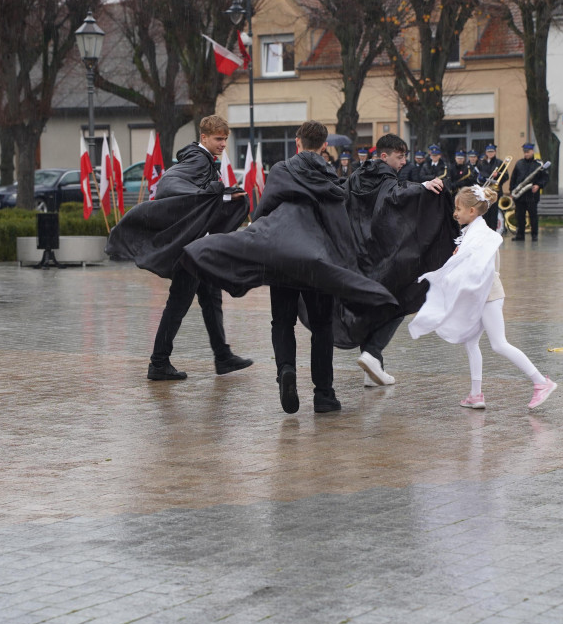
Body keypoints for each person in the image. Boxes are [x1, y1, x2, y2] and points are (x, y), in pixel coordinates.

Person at [180, 121, 397, 414]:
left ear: (297, 142)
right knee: (322, 327)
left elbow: (264, 211)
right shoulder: (330, 178)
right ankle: (324, 395)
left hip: (281, 256)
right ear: (324, 146)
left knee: (281, 322)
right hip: (316, 263)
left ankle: (286, 371)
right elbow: (339, 223)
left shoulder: (281, 170)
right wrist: (345, 262)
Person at [105, 115, 253, 381]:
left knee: (211, 298)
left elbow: (200, 194)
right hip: (191, 250)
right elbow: (170, 185)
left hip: (196, 245)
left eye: (225, 139)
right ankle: (159, 363)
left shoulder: (203, 160)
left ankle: (222, 356)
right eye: (218, 139)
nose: (222, 144)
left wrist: (226, 194)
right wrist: (220, 192)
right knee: (178, 305)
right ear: (204, 137)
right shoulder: (198, 159)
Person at [408, 185, 558, 410]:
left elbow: (480, 268)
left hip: (489, 295)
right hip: (482, 295)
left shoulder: (482, 235)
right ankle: (476, 395)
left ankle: (541, 382)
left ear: (472, 211)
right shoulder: (473, 232)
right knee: (471, 343)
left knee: (499, 344)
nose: (455, 213)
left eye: (458, 209)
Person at [340, 133, 452, 388]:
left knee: (372, 307)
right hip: (381, 256)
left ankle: (373, 366)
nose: (403, 162)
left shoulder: (357, 176)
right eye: (399, 157)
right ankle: (373, 353)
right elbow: (393, 196)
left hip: (358, 255)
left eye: (404, 157)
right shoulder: (384, 177)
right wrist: (423, 187)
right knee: (399, 301)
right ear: (383, 156)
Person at [509, 143, 547, 242]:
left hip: (532, 194)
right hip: (520, 195)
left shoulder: (538, 164)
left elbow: (545, 178)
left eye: (528, 152)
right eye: (525, 152)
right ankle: (520, 235)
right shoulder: (519, 163)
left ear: (532, 151)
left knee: (533, 216)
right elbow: (513, 178)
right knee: (520, 216)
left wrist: (538, 185)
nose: (526, 154)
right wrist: (512, 191)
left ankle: (534, 235)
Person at [477, 144, 509, 231]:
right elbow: (478, 175)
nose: (490, 153)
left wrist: (497, 175)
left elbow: (506, 176)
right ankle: (485, 232)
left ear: (495, 152)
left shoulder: (499, 163)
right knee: (484, 213)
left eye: (492, 151)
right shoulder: (481, 163)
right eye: (488, 152)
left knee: (493, 214)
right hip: (484, 191)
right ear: (486, 152)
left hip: (495, 192)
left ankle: (493, 232)